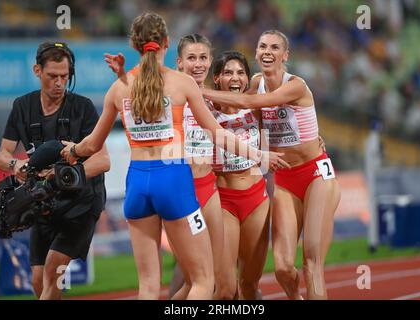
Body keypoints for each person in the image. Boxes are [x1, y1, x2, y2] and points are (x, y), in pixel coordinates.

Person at [61, 13, 288, 300]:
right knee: (204, 282)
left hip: (138, 183)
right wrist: (259, 154)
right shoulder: (181, 84)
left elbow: (91, 145)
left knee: (147, 286)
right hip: (174, 181)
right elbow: (218, 132)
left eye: (204, 58)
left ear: (134, 45)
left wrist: (70, 151)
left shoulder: (120, 88)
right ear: (168, 45)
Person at [202, 30, 341, 300]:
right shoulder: (254, 83)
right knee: (282, 268)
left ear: (285, 55)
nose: (267, 51)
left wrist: (199, 90)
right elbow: (245, 110)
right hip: (285, 180)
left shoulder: (296, 85)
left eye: (275, 47)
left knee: (311, 261)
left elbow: (247, 102)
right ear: (256, 53)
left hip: (315, 173)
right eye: (262, 46)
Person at [104, 34, 225, 300]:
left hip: (204, 188)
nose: (198, 64)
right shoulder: (173, 90)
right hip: (178, 187)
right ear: (178, 61)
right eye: (191, 58)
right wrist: (124, 77)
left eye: (203, 57)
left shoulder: (221, 98)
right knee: (194, 279)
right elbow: (139, 101)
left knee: (218, 281)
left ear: (211, 62)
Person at [0, 41, 110, 300]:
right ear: (37, 70)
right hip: (44, 204)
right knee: (38, 281)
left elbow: (103, 161)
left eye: (64, 77)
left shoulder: (83, 108)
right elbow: (3, 156)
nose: (59, 83)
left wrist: (60, 174)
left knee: (51, 271)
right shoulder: (22, 106)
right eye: (52, 76)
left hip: (81, 204)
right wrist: (18, 166)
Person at [211, 51, 270, 300]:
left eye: (240, 73)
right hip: (223, 202)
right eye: (228, 73)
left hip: (257, 200)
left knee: (249, 286)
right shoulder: (205, 111)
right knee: (225, 291)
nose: (235, 78)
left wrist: (313, 140)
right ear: (216, 79)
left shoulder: (255, 107)